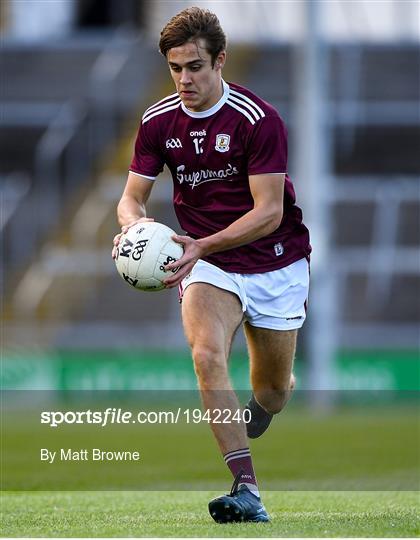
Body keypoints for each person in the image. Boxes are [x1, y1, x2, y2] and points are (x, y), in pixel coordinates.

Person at [112, 6, 311, 523]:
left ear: (220, 61)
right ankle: (246, 488)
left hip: (274, 260)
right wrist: (134, 228)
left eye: (195, 66)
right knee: (205, 355)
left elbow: (269, 213)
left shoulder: (258, 119)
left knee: (273, 390)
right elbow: (131, 198)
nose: (184, 79)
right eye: (176, 67)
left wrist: (203, 243)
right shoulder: (157, 122)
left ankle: (269, 401)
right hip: (208, 265)